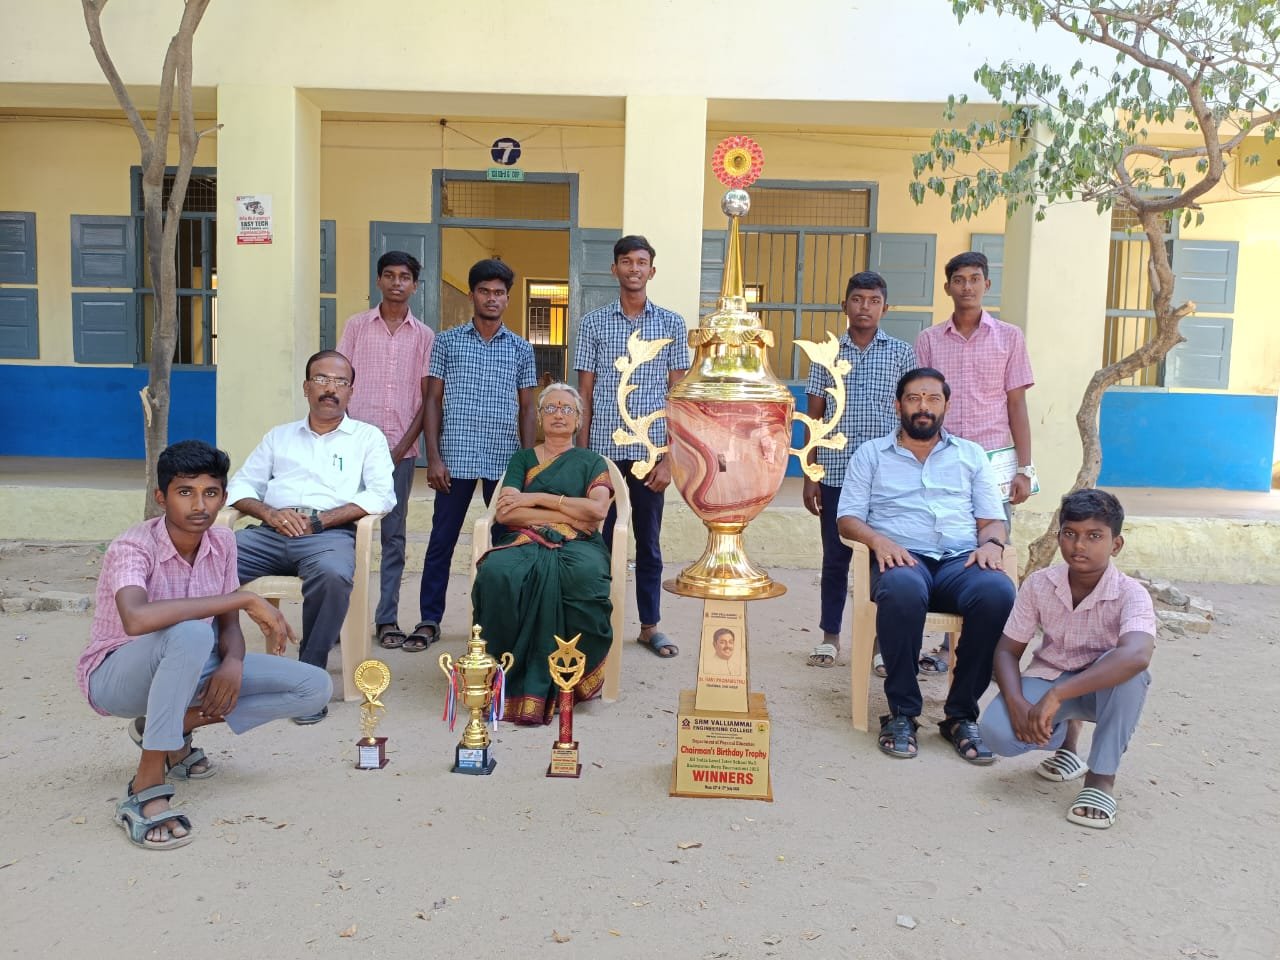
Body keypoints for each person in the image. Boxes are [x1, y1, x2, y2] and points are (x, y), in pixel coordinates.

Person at [76, 440, 332, 850]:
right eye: (185, 492)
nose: (199, 505)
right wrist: (244, 599)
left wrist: (233, 662)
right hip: (117, 676)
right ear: (161, 498)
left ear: (224, 497)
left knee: (314, 687)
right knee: (193, 632)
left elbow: (228, 625)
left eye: (210, 492)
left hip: (190, 665)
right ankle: (146, 784)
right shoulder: (133, 546)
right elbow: (136, 618)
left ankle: (171, 726)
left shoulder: (222, 542)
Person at [837, 367, 1016, 763]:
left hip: (959, 561)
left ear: (946, 406)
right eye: (914, 398)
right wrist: (879, 541)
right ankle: (902, 713)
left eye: (933, 399)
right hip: (901, 557)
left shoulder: (970, 454)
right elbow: (847, 518)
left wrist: (992, 544)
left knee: (997, 592)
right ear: (898, 405)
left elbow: (992, 520)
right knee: (901, 589)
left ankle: (960, 716)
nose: (923, 407)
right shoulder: (871, 454)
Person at [226, 350, 396, 723]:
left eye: (340, 382)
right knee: (210, 562)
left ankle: (309, 677)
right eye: (321, 379)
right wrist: (270, 513)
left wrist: (321, 521)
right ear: (306, 387)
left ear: (351, 391)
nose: (330, 389)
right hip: (271, 532)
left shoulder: (367, 438)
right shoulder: (279, 437)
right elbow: (240, 486)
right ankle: (213, 666)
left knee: (333, 575)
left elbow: (382, 495)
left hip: (328, 535)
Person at [979, 489, 1155, 829]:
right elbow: (1006, 651)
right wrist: (1017, 703)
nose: (1079, 545)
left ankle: (1100, 780)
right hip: (1050, 676)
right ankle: (1066, 745)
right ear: (1059, 535)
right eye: (1070, 533)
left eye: (1094, 536)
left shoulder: (1131, 593)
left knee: (1131, 674)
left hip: (1101, 691)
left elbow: (1137, 655)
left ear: (1116, 544)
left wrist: (1058, 695)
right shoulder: (1039, 584)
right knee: (996, 732)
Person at [914, 250, 1035, 671]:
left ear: (987, 284)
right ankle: (945, 647)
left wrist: (1025, 469)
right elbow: (922, 404)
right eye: (959, 279)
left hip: (994, 462)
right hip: (942, 459)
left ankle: (979, 651)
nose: (967, 286)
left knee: (990, 549)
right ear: (947, 286)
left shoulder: (1009, 337)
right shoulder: (929, 340)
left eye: (975, 278)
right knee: (944, 543)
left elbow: (1017, 405)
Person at [573, 235, 690, 660]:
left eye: (641, 262)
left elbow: (678, 396)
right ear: (615, 269)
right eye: (626, 261)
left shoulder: (672, 324)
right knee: (596, 541)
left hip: (650, 454)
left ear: (651, 271)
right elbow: (584, 394)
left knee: (648, 542)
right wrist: (582, 459)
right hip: (603, 451)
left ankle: (649, 626)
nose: (634, 269)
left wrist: (669, 459)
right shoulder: (592, 324)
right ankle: (595, 625)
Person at [471, 383, 613, 725]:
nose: (558, 414)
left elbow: (597, 511)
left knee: (584, 575)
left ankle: (573, 677)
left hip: (579, 544)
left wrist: (537, 499)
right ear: (539, 417)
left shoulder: (591, 461)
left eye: (567, 409)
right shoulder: (521, 459)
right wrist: (570, 513)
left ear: (579, 419)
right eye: (550, 408)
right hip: (524, 538)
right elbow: (507, 512)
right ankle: (503, 673)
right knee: (497, 573)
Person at [414, 259, 538, 650]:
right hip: (455, 459)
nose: (492, 298)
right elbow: (432, 401)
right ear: (472, 295)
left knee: (506, 543)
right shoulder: (447, 342)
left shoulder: (521, 348)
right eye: (484, 291)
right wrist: (433, 457)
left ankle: (500, 623)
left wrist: (527, 463)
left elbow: (527, 409)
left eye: (499, 292)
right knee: (442, 541)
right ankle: (429, 620)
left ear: (507, 298)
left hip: (504, 460)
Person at [802, 271, 916, 670]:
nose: (865, 307)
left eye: (873, 300)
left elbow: (911, 412)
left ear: (885, 307)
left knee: (886, 560)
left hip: (887, 476)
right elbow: (814, 416)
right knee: (835, 557)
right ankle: (829, 637)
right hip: (836, 471)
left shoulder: (902, 353)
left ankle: (882, 644)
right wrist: (810, 473)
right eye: (857, 299)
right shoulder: (827, 353)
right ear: (845, 305)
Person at [337, 250, 435, 651]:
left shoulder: (424, 336)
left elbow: (426, 400)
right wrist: (350, 440)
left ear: (415, 285)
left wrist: (400, 449)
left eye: (405, 277)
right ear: (379, 281)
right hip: (352, 451)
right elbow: (340, 382)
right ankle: (336, 620)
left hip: (401, 453)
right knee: (341, 535)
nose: (397, 283)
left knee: (393, 537)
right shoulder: (356, 327)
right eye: (390, 275)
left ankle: (387, 618)